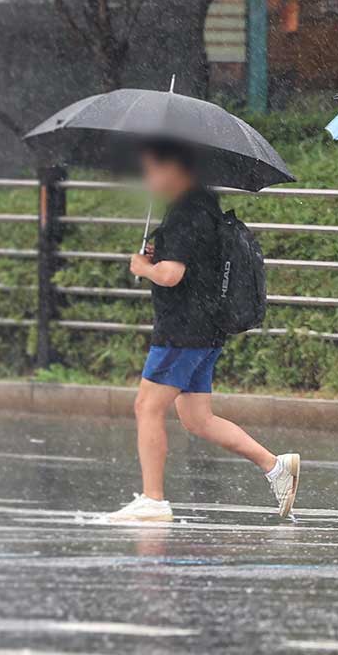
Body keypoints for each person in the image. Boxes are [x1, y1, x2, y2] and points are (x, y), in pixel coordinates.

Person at [104, 141, 300, 523]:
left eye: (151, 170)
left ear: (175, 169)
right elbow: (192, 264)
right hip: (206, 329)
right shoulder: (204, 205)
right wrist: (158, 252)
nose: (147, 179)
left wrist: (143, 267)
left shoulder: (183, 214)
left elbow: (172, 275)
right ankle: (276, 467)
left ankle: (153, 499)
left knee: (147, 406)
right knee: (197, 419)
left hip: (182, 331)